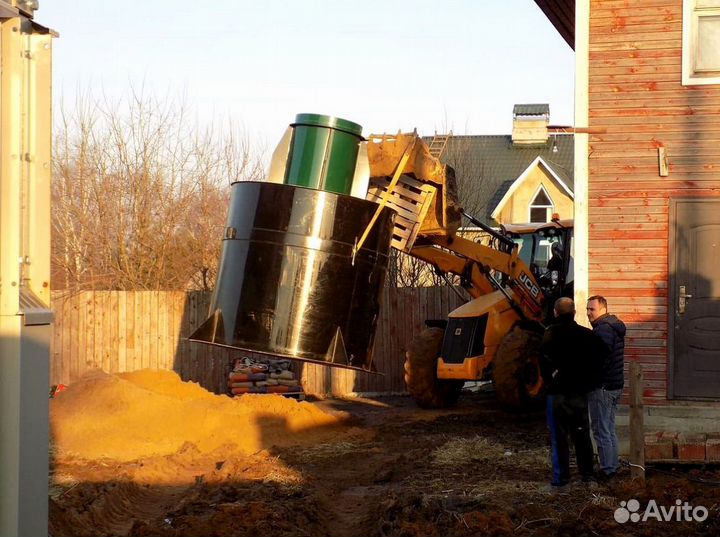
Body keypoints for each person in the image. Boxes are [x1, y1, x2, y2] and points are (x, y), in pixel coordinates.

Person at [540, 297, 607, 488]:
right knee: (582, 435)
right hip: (579, 393)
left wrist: (550, 380)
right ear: (574, 312)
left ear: (555, 312)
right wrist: (589, 381)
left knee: (559, 438)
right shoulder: (587, 335)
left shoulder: (550, 334)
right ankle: (587, 476)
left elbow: (542, 361)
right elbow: (602, 356)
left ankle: (561, 480)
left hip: (557, 394)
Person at [586, 295, 626, 480]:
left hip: (603, 386)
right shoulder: (614, 326)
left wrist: (591, 379)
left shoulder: (603, 330)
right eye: (587, 309)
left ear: (603, 309)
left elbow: (600, 360)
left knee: (601, 430)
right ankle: (613, 465)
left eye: (592, 309)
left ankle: (607, 470)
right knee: (609, 428)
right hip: (614, 384)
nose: (588, 313)